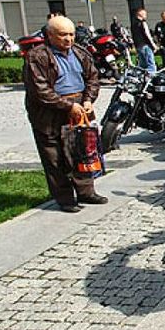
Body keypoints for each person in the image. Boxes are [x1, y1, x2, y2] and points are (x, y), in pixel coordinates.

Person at [23, 15, 107, 214]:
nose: (68, 39)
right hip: (50, 113)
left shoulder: (80, 52)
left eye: (71, 34)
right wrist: (68, 106)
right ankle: (65, 198)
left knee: (82, 151)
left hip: (79, 107)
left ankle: (86, 191)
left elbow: (93, 78)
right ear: (50, 35)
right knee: (54, 157)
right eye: (63, 35)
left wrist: (88, 99)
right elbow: (40, 91)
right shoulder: (37, 56)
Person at [132, 8, 157, 73]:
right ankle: (151, 77)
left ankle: (141, 77)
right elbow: (147, 35)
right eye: (145, 14)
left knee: (142, 66)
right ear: (140, 15)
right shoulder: (143, 23)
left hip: (138, 46)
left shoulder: (133, 24)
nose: (146, 16)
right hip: (145, 45)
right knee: (151, 66)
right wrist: (153, 45)